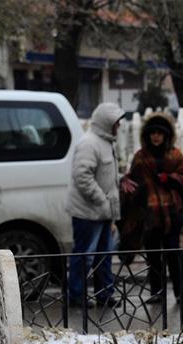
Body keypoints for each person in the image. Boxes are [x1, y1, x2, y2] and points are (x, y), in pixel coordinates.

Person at [118, 112, 183, 302]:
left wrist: (171, 179)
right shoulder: (140, 157)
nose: (156, 136)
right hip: (149, 216)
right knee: (153, 256)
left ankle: (180, 292)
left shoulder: (175, 155)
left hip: (172, 215)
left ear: (166, 135)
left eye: (160, 133)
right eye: (153, 133)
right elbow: (132, 185)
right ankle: (157, 292)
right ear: (148, 135)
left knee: (173, 254)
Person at [66, 102, 125, 308]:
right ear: (107, 123)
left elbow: (105, 174)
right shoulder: (90, 143)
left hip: (102, 211)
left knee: (104, 256)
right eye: (116, 123)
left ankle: (104, 294)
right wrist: (101, 199)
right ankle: (76, 295)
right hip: (88, 211)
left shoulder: (105, 142)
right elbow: (82, 176)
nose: (118, 127)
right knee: (84, 255)